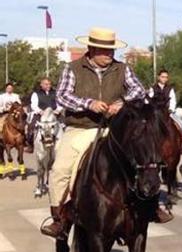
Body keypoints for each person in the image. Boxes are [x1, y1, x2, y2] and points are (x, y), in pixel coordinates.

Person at [40, 27, 172, 240]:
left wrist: (121, 103)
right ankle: (60, 219)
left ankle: (152, 207)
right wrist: (88, 103)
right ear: (91, 49)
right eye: (104, 51)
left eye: (111, 51)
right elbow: (63, 96)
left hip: (115, 128)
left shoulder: (122, 68)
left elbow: (139, 90)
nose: (109, 55)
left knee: (147, 158)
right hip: (81, 128)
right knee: (60, 170)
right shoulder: (72, 68)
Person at [26, 78, 58, 151]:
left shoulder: (55, 92)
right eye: (46, 84)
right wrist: (40, 111)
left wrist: (58, 110)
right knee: (31, 127)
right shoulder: (36, 93)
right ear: (41, 85)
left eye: (50, 84)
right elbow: (34, 105)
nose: (48, 86)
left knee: (65, 126)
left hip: (54, 114)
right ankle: (30, 146)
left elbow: (59, 103)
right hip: (40, 114)